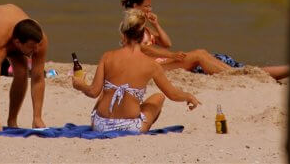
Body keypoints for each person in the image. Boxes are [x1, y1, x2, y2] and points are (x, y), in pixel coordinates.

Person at [72, 9, 200, 132]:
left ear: (123, 34)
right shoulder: (151, 65)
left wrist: (80, 86)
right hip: (131, 127)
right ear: (142, 35)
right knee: (159, 97)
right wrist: (188, 96)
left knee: (105, 93)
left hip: (101, 125)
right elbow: (173, 94)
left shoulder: (107, 57)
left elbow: (93, 92)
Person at [121, 0, 290, 80]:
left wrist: (156, 24)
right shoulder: (131, 25)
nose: (150, 9)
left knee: (211, 57)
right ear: (136, 6)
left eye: (151, 6)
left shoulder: (145, 27)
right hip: (152, 69)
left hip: (163, 63)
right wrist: (171, 55)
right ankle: (237, 76)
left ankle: (242, 73)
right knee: (200, 54)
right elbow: (143, 50)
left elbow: (166, 43)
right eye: (147, 6)